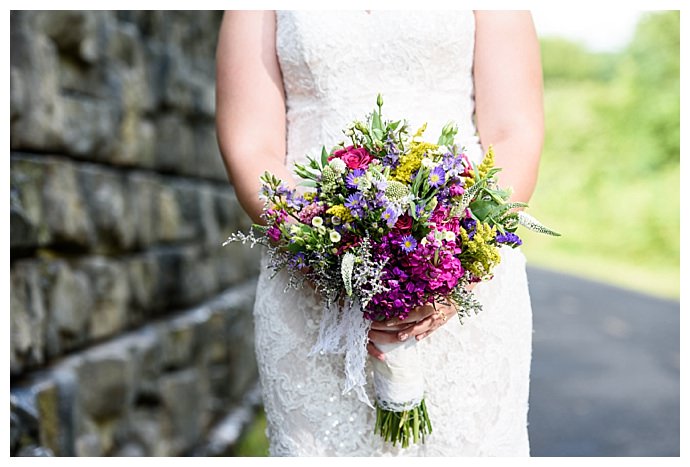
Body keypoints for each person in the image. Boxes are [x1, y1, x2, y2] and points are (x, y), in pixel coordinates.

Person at [215, 10, 543, 456]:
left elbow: (514, 131)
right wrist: (323, 261)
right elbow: (251, 143)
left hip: (461, 270)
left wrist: (455, 264)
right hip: (308, 276)